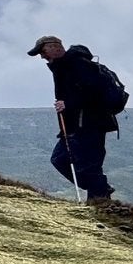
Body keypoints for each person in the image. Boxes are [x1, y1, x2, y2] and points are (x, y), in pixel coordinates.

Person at [28, 35, 116, 201]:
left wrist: (68, 103)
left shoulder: (77, 64)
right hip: (75, 126)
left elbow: (94, 93)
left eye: (43, 51)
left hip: (90, 124)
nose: (42, 56)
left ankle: (100, 198)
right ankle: (100, 191)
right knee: (61, 159)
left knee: (88, 165)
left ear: (54, 47)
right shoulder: (63, 66)